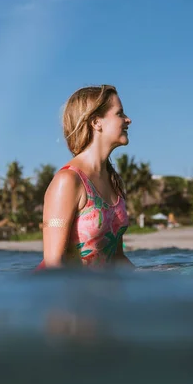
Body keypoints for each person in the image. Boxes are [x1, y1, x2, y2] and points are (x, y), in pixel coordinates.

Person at [36, 84, 134, 269]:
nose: (128, 120)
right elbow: (53, 264)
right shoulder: (68, 181)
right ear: (96, 122)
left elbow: (117, 257)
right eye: (120, 114)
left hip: (100, 293)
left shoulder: (113, 181)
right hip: (67, 293)